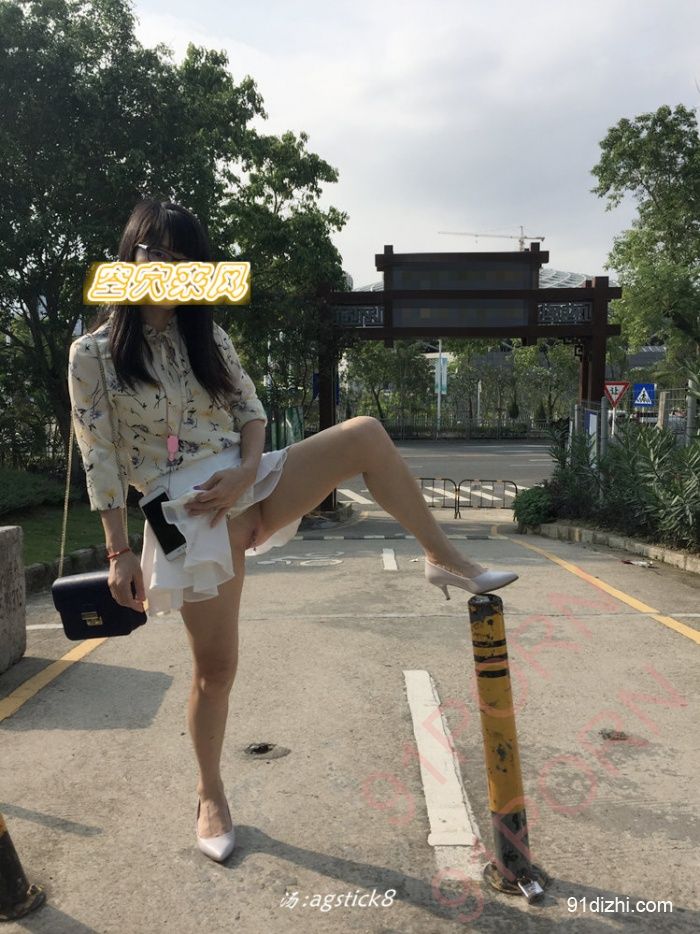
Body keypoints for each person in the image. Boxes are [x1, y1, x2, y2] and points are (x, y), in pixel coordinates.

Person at [68, 198, 518, 862]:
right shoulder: (92, 355)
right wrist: (117, 551)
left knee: (365, 434)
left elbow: (251, 412)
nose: (169, 268)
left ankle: (443, 557)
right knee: (216, 670)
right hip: (185, 515)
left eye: (184, 258)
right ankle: (210, 793)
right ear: (128, 255)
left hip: (247, 480)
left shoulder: (207, 338)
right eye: (155, 252)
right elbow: (100, 458)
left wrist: (248, 472)